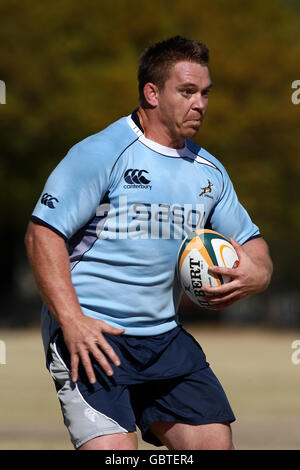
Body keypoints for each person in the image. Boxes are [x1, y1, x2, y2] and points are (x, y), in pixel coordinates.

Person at [25, 36, 273, 451]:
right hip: (93, 336)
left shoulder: (208, 171)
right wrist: (71, 321)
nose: (201, 104)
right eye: (188, 91)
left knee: (215, 445)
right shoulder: (102, 153)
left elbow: (253, 243)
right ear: (152, 93)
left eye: (206, 93)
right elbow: (42, 235)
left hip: (163, 339)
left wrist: (258, 274)